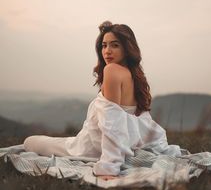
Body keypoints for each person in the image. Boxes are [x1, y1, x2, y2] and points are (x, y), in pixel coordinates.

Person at [23, 21, 182, 180]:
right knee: (55, 141)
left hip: (90, 147)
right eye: (104, 46)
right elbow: (138, 121)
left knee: (29, 142)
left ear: (127, 48)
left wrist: (109, 167)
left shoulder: (112, 70)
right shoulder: (135, 75)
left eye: (114, 45)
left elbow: (113, 123)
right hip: (121, 144)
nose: (107, 51)